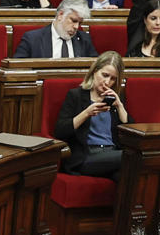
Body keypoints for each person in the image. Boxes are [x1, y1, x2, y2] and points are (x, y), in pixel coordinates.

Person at [53, 51, 129, 179]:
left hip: (112, 153)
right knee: (132, 157)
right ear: (94, 71)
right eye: (104, 75)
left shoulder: (116, 98)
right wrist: (86, 113)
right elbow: (60, 131)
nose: (107, 81)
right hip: (87, 156)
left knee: (123, 176)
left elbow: (130, 132)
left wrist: (120, 106)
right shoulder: (76, 95)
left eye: (113, 78)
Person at [16, 0, 96, 61]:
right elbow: (18, 68)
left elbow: (96, 67)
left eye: (80, 23)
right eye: (74, 21)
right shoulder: (32, 39)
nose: (77, 27)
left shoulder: (84, 39)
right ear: (60, 15)